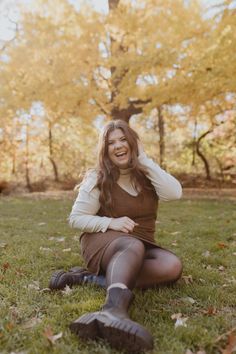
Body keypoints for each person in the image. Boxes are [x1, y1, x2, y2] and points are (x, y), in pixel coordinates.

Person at [49, 120, 183, 352]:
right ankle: (113, 310)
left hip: (142, 243)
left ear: (133, 144)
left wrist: (145, 160)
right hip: (103, 242)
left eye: (123, 140)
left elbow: (175, 193)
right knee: (130, 245)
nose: (118, 146)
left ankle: (86, 279)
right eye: (111, 142)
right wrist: (112, 222)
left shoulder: (147, 174)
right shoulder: (98, 178)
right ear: (105, 149)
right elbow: (76, 218)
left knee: (171, 266)